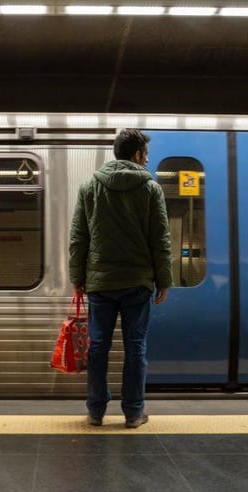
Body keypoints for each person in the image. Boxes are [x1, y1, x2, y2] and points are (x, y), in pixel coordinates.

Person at [69, 128, 172, 429]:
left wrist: (77, 277)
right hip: (137, 283)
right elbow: (160, 240)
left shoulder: (89, 186)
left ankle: (96, 411)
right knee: (135, 347)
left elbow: (79, 237)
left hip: (100, 284)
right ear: (137, 154)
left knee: (98, 346)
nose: (147, 159)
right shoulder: (151, 189)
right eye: (146, 154)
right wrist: (163, 280)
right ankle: (133, 412)